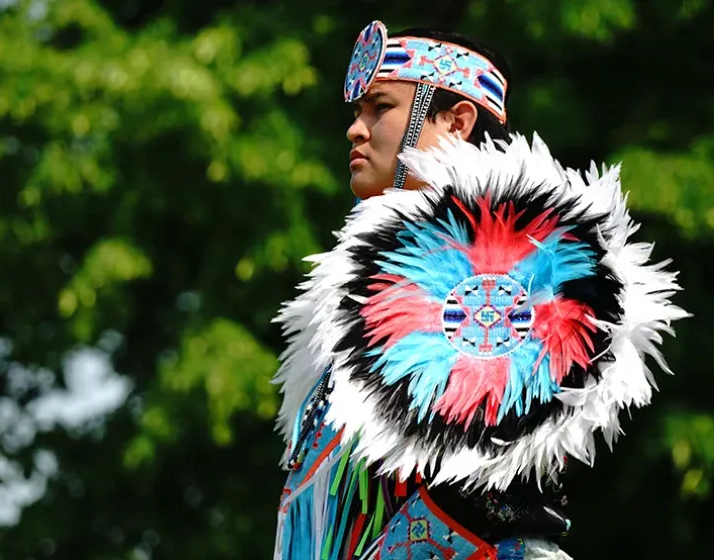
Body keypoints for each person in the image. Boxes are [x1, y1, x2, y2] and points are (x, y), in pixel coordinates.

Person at [272, 20, 688, 560]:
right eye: (357, 113)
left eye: (380, 108)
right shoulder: (351, 295)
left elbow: (486, 481)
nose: (356, 129)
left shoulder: (525, 263)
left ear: (454, 121)